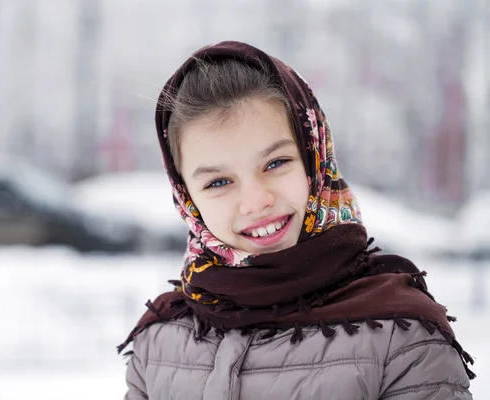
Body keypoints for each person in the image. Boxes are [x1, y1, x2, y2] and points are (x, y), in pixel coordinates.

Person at [119, 41, 474, 399]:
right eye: (219, 182)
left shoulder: (402, 338)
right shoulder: (158, 343)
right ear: (186, 198)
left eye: (275, 163)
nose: (256, 201)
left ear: (314, 157)